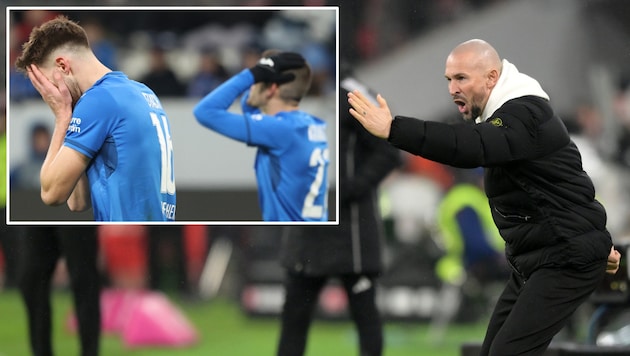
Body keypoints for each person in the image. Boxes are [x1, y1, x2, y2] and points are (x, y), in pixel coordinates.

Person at [347, 38, 622, 355]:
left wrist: (394, 129)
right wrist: (596, 241)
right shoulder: (510, 115)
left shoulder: (523, 114)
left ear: (492, 78)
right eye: (449, 79)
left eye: (461, 78)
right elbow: (563, 186)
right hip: (540, 260)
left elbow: (468, 146)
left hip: (563, 259)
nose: (452, 89)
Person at [275, 74, 401, 356]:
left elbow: (389, 151)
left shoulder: (355, 94)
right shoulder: (290, 98)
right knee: (294, 316)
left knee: (364, 313)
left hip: (352, 228)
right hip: (306, 227)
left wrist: (350, 188)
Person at [14, 15, 176, 221]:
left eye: (49, 85)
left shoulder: (99, 100)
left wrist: (62, 118)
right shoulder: (142, 92)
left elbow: (51, 194)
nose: (50, 95)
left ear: (63, 66)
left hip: (125, 233)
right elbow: (77, 201)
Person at [193, 50, 329, 221]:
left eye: (256, 81)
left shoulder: (278, 129)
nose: (250, 85)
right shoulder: (308, 124)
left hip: (292, 235)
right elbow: (250, 108)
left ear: (272, 89)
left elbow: (204, 112)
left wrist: (251, 73)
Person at [17, 225, 101, 356]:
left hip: (74, 214)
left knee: (83, 279)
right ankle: (41, 352)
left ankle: (89, 352)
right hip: (37, 210)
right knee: (32, 279)